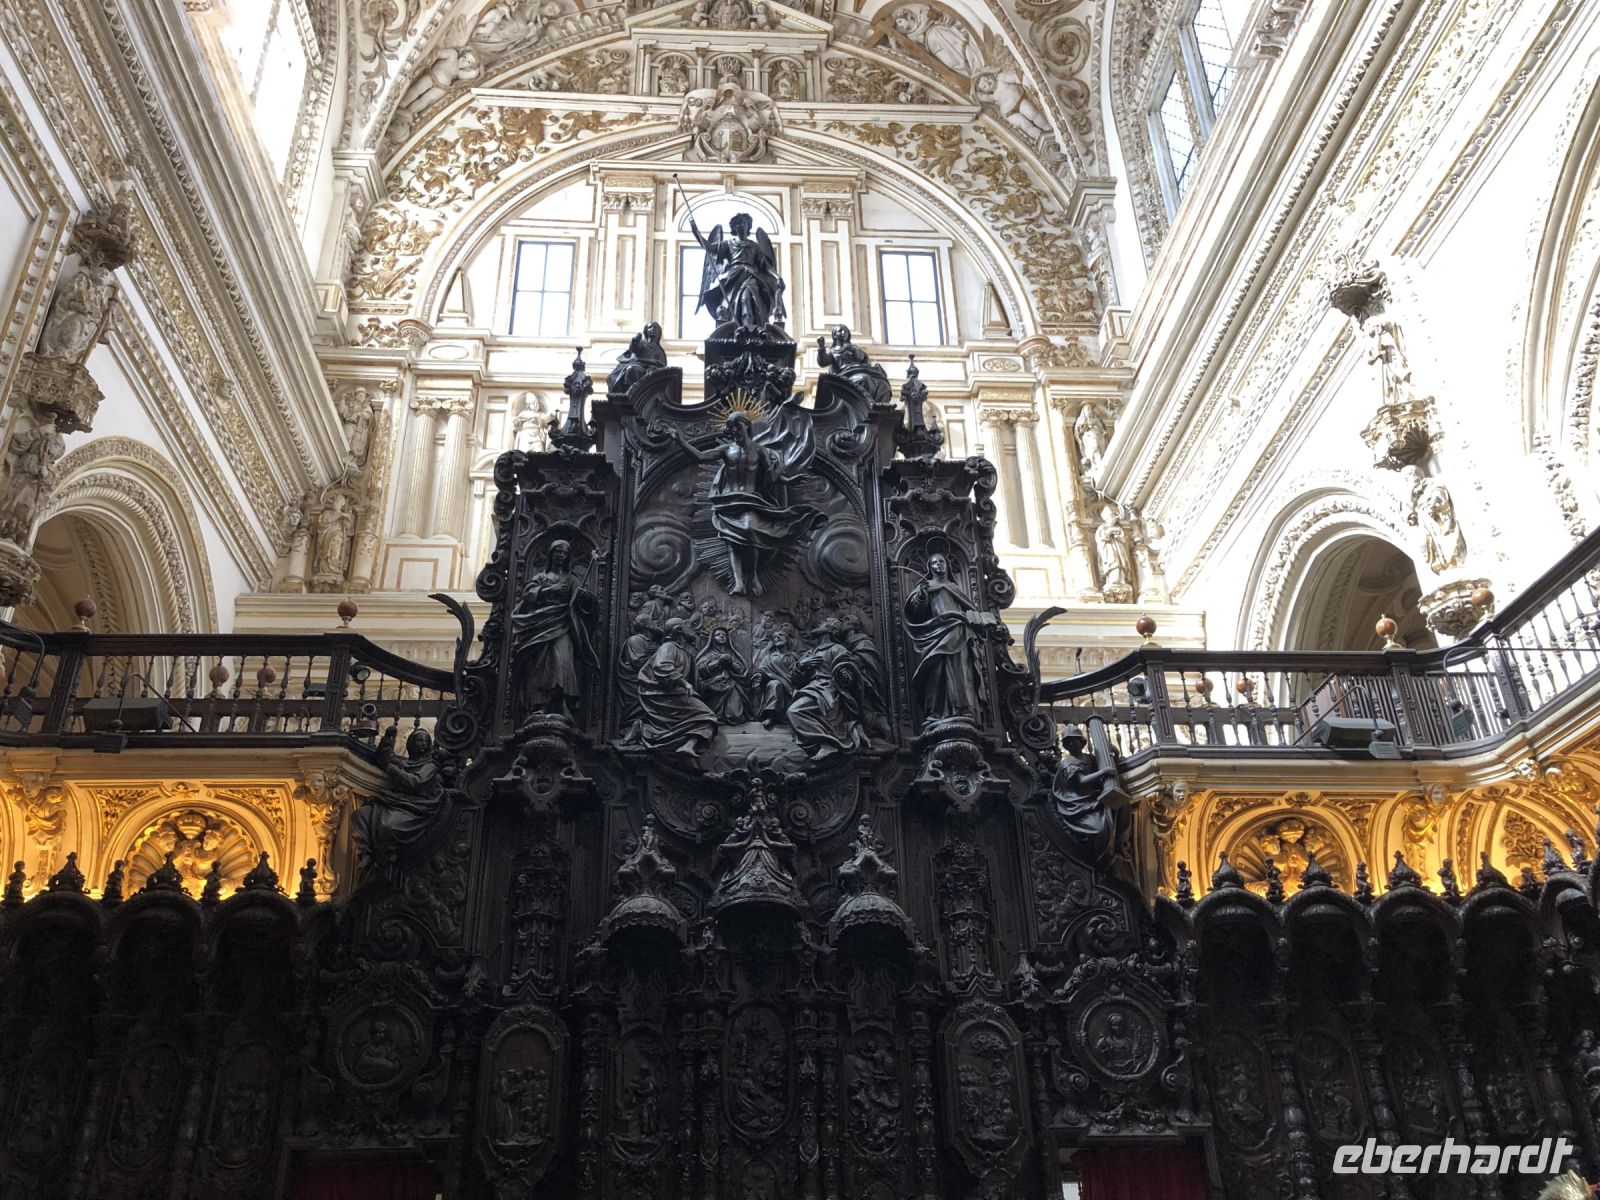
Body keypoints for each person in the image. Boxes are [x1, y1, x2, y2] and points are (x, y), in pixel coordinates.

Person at [669, 403, 822, 596]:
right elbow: (700, 456)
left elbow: (772, 476)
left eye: (736, 426)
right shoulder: (727, 450)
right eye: (730, 428)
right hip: (728, 502)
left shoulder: (759, 451)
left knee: (750, 532)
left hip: (750, 500)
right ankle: (739, 582)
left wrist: (790, 480)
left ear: (745, 425)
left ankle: (752, 574)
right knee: (732, 542)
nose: (733, 431)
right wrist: (679, 439)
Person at [510, 539, 599, 718]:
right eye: (558, 552)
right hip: (540, 624)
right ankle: (539, 704)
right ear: (551, 554)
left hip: (563, 625)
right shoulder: (542, 577)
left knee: (563, 659)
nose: (561, 556)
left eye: (565, 553)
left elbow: (583, 603)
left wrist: (584, 597)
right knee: (541, 664)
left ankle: (563, 702)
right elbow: (528, 594)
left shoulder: (572, 579)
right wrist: (550, 590)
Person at [903, 553, 994, 721]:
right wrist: (921, 596)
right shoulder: (926, 586)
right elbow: (915, 612)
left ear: (947, 565)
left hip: (959, 631)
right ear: (930, 568)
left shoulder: (954, 587)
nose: (939, 565)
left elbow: (969, 608)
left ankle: (964, 709)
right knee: (936, 671)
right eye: (935, 562)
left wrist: (974, 618)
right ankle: (935, 711)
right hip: (935, 633)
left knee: (961, 671)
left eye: (941, 561)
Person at [688, 210, 786, 330]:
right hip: (733, 278)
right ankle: (736, 328)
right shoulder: (728, 244)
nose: (741, 226)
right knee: (729, 303)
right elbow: (709, 247)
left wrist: (777, 277)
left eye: (744, 223)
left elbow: (766, 266)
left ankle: (750, 328)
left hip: (751, 277)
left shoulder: (754, 246)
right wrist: (695, 232)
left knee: (748, 298)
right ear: (734, 227)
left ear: (748, 226)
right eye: (738, 224)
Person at [633, 618, 718, 755]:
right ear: (679, 630)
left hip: (676, 692)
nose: (691, 629)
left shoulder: (686, 652)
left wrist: (713, 684)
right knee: (707, 716)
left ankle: (644, 729)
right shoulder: (668, 647)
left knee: (701, 717)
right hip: (663, 694)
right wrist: (684, 683)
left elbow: (695, 681)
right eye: (687, 626)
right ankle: (687, 745)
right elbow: (662, 667)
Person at [815, 324, 892, 406]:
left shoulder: (853, 348)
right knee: (864, 379)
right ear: (834, 335)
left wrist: (853, 349)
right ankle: (866, 405)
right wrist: (821, 347)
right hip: (845, 377)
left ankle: (880, 408)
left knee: (883, 385)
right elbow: (823, 362)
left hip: (859, 371)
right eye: (840, 330)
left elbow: (863, 359)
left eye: (846, 331)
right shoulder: (833, 352)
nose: (844, 332)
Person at [694, 626, 751, 722]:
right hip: (713, 686)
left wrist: (731, 663)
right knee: (712, 715)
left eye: (724, 635)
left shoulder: (732, 653)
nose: (721, 636)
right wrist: (718, 662)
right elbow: (700, 670)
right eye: (718, 635)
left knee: (735, 716)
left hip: (731, 685)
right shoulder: (708, 654)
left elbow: (742, 670)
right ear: (712, 638)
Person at [606, 321, 668, 396]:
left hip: (651, 371)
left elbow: (661, 365)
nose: (652, 329)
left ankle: (639, 393)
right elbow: (634, 349)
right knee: (631, 369)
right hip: (639, 366)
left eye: (655, 328)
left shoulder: (660, 350)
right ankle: (634, 392)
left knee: (633, 369)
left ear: (659, 332)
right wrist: (635, 341)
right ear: (646, 331)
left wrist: (654, 367)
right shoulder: (642, 343)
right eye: (650, 327)